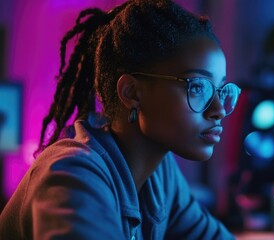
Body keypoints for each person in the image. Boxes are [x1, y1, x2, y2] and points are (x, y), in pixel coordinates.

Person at [0, 0, 240, 239]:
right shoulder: (72, 176)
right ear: (132, 93)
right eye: (198, 87)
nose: (218, 110)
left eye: (221, 90)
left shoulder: (161, 175)